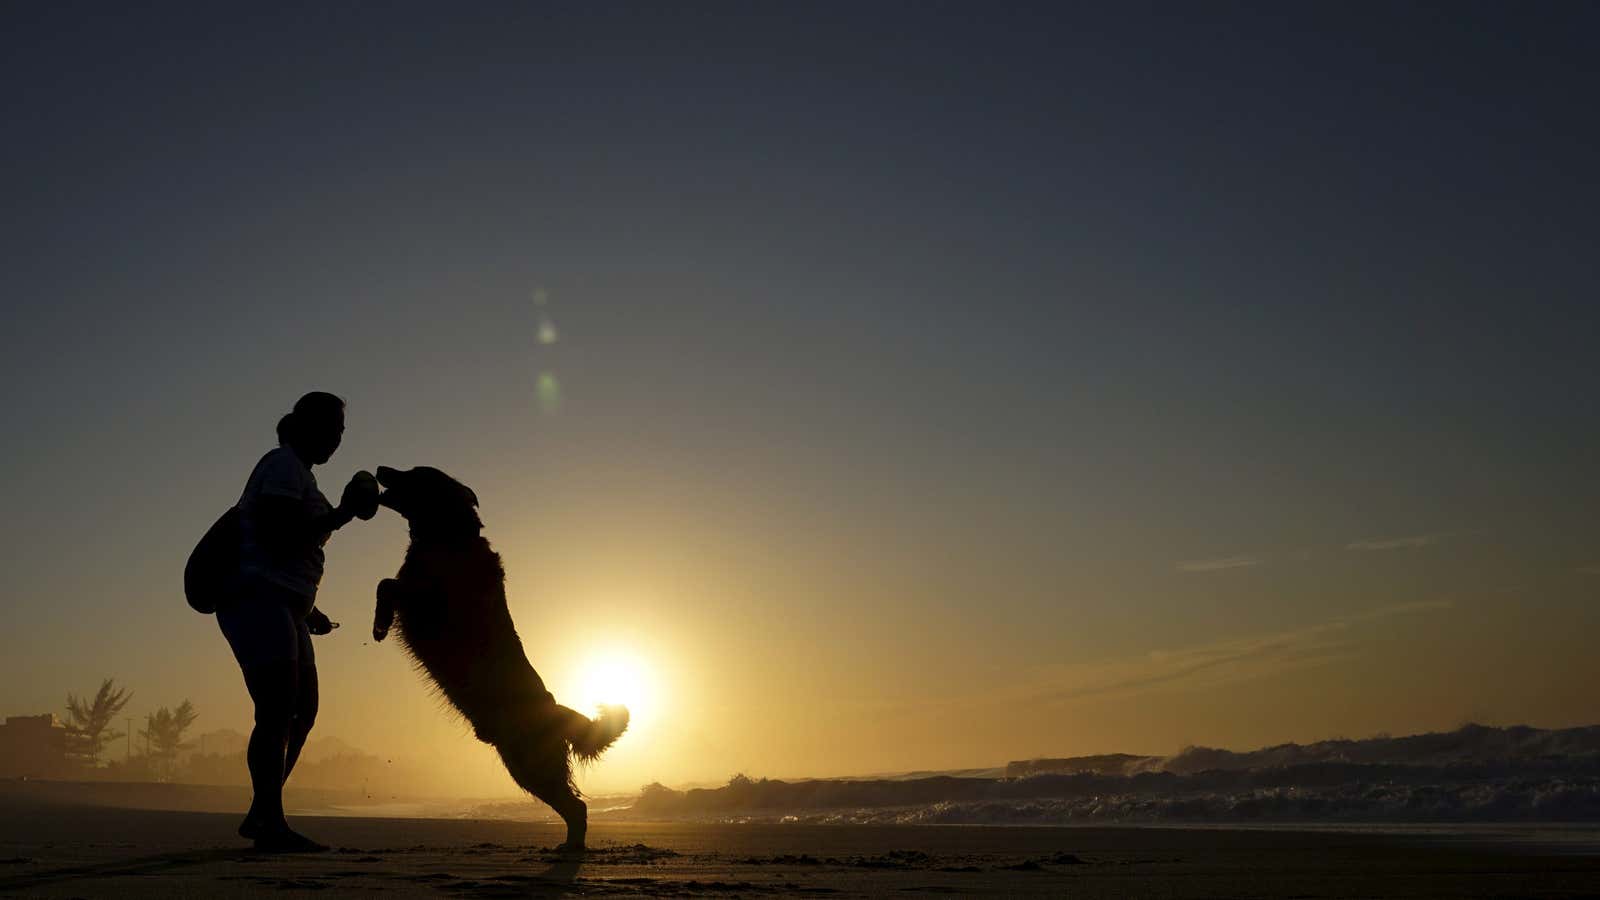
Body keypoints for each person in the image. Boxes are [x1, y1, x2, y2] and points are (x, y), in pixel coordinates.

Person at [217, 391, 377, 852]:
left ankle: (263, 812)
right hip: (256, 599)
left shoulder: (299, 474)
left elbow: (289, 552)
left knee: (301, 710)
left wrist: (310, 609)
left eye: (342, 433)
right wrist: (343, 514)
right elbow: (277, 534)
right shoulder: (283, 466)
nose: (338, 440)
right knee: (276, 710)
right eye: (334, 430)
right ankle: (269, 820)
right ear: (308, 426)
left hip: (284, 605)